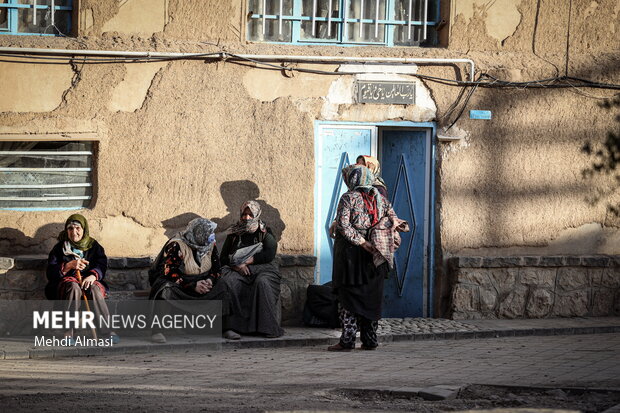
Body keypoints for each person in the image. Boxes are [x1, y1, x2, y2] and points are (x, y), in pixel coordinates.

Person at [328, 164, 409, 351]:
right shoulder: (381, 199)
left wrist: (362, 242)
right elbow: (393, 220)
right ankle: (370, 340)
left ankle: (347, 341)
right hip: (376, 256)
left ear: (352, 179)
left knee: (348, 297)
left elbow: (343, 225)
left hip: (351, 257)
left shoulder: (348, 197)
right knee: (372, 297)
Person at [149, 217, 235, 343]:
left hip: (202, 281)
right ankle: (157, 330)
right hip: (180, 282)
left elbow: (217, 269)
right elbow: (168, 272)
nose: (212, 236)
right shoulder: (176, 245)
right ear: (198, 233)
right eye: (209, 233)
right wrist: (192, 285)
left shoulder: (209, 244)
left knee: (223, 285)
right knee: (166, 290)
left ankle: (226, 328)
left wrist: (210, 280)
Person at [46, 214, 119, 344]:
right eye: (70, 229)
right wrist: (68, 266)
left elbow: (101, 263)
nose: (74, 232)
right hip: (69, 281)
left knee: (95, 289)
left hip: (88, 279)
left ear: (84, 229)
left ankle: (107, 331)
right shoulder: (60, 248)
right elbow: (50, 272)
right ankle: (68, 331)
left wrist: (93, 275)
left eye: (77, 228)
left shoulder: (93, 245)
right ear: (66, 230)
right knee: (74, 288)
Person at [219, 200, 284, 338]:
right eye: (244, 214)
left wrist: (250, 260)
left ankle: (266, 328)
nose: (247, 218)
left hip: (262, 268)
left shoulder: (264, 231)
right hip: (237, 268)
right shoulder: (234, 233)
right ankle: (231, 328)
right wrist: (237, 266)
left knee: (262, 283)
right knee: (227, 282)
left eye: (250, 214)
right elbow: (223, 257)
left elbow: (270, 253)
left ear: (256, 214)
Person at [329, 155, 388, 239]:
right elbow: (346, 208)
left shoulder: (378, 189)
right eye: (358, 164)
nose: (358, 167)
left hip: (367, 237)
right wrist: (336, 221)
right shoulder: (354, 187)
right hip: (350, 236)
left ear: (371, 168)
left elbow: (380, 215)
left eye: (363, 165)